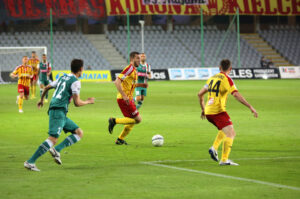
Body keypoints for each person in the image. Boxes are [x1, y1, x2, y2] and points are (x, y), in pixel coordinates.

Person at [24, 59, 95, 171]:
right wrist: (88, 101)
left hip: (60, 111)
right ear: (81, 69)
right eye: (83, 68)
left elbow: (47, 87)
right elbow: (77, 103)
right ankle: (30, 162)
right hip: (58, 111)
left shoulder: (63, 77)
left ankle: (57, 150)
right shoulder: (76, 81)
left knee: (78, 132)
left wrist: (41, 100)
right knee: (52, 138)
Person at [198, 59, 258, 166]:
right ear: (230, 69)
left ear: (219, 67)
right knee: (231, 133)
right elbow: (235, 94)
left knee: (226, 128)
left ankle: (214, 148)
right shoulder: (227, 79)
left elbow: (200, 94)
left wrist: (203, 109)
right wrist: (250, 106)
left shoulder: (212, 78)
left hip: (208, 112)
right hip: (218, 111)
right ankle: (224, 160)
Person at [108, 52, 142, 145]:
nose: (140, 60)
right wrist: (124, 95)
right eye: (137, 58)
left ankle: (120, 139)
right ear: (132, 59)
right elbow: (117, 81)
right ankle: (114, 121)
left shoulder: (134, 70)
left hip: (128, 99)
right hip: (124, 99)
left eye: (140, 58)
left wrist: (133, 98)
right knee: (138, 120)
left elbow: (130, 86)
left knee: (131, 120)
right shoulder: (129, 68)